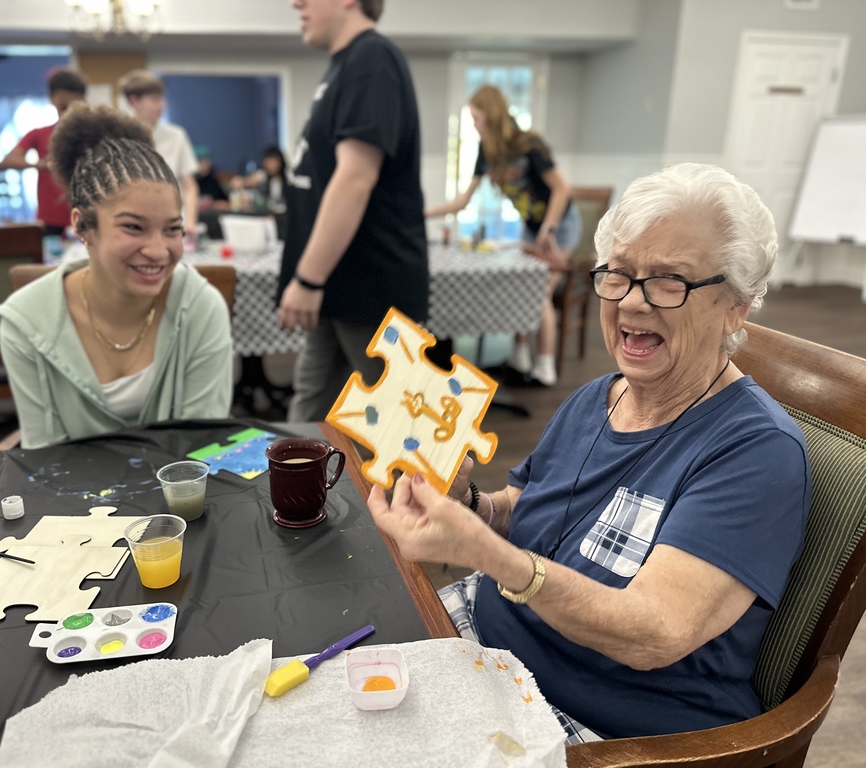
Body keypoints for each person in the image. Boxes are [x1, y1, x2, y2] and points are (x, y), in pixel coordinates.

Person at [369, 163, 811, 743]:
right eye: (619, 275)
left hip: (605, 726)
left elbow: (655, 632)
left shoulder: (757, 453)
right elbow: (526, 509)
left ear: (737, 305)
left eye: (668, 281)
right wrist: (467, 503)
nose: (631, 303)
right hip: (488, 641)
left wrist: (492, 558)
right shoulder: (595, 398)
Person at [0, 104, 233, 450]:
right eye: (133, 227)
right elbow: (46, 460)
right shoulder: (28, 323)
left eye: (172, 229)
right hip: (70, 502)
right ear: (81, 225)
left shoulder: (199, 307)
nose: (158, 251)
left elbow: (202, 449)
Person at [280, 0, 428, 423]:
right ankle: (294, 490)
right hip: (341, 288)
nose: (297, 3)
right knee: (311, 406)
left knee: (402, 426)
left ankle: (428, 495)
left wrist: (309, 277)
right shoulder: (347, 65)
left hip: (370, 287)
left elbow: (356, 177)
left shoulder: (371, 59)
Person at [426, 85, 580, 387]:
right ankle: (520, 357)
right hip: (531, 225)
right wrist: (421, 214)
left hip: (559, 223)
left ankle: (544, 368)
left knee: (539, 291)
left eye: (475, 116)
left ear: (491, 114)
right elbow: (462, 201)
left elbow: (562, 189)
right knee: (525, 283)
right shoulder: (487, 149)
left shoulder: (528, 145)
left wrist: (548, 230)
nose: (473, 123)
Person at [0, 67, 87, 236]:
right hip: (50, 218)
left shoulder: (90, 134)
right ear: (51, 99)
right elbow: (7, 161)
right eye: (63, 106)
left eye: (74, 105)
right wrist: (44, 165)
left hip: (85, 217)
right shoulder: (39, 134)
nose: (68, 112)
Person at [119, 70, 201, 239]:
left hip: (174, 225)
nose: (162, 105)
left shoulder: (177, 136)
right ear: (134, 101)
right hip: (135, 226)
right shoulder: (120, 139)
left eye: (162, 99)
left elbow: (189, 185)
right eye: (155, 100)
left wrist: (191, 221)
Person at [231, 146, 287, 212]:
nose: (271, 165)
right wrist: (241, 182)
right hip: (266, 214)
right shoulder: (263, 175)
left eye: (273, 161)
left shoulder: (287, 178)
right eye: (268, 162)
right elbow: (248, 181)